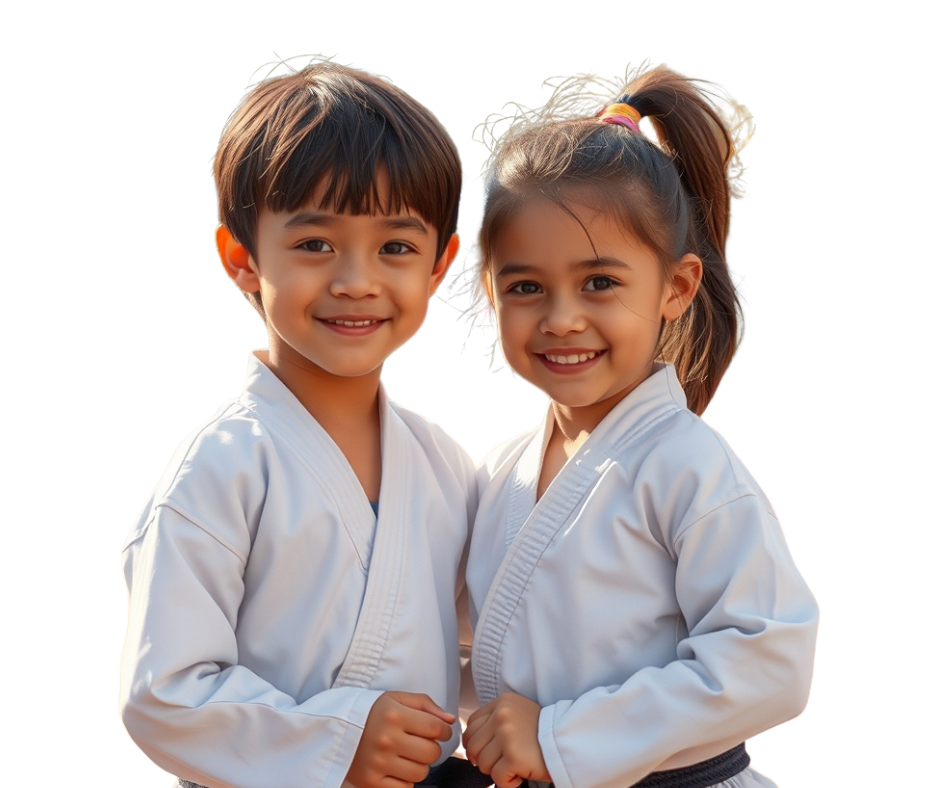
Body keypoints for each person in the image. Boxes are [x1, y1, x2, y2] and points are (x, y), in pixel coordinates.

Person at [119, 53, 490, 788]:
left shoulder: (446, 462)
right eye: (315, 244)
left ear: (441, 260)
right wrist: (339, 740)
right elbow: (163, 694)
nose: (356, 280)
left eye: (396, 247)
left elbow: (483, 647)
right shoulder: (220, 466)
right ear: (242, 259)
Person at [454, 61, 819, 788]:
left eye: (600, 282)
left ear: (675, 288)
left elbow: (772, 662)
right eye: (526, 286)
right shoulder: (496, 470)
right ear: (488, 297)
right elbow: (469, 647)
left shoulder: (690, 466)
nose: (562, 318)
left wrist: (559, 737)